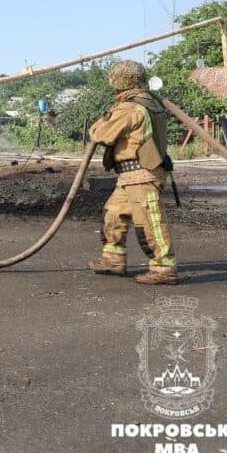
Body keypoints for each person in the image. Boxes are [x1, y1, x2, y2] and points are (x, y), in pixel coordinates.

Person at [88, 60, 178, 285]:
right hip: (130, 175)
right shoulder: (150, 101)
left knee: (149, 222)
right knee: (114, 214)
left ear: (116, 81)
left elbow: (100, 134)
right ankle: (113, 259)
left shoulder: (129, 108)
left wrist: (106, 117)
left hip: (142, 175)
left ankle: (163, 268)